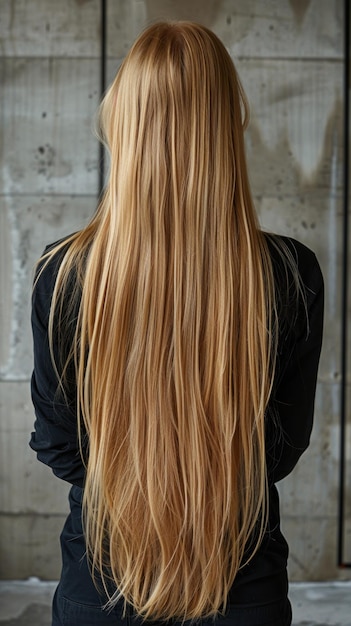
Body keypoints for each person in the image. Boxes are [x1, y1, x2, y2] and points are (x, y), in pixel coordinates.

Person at [30, 21, 324, 626]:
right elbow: (281, 447)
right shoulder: (290, 272)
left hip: (104, 590)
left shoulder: (63, 273)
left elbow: (60, 444)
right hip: (243, 589)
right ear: (229, 123)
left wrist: (139, 490)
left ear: (123, 122)